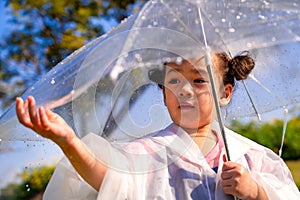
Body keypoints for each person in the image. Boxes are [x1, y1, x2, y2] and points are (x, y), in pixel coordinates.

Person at [15, 52, 300, 199]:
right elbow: (113, 182)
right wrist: (68, 141)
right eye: (174, 81)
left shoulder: (252, 156)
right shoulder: (147, 152)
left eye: (199, 80)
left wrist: (256, 193)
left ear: (225, 93)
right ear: (163, 94)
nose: (185, 90)